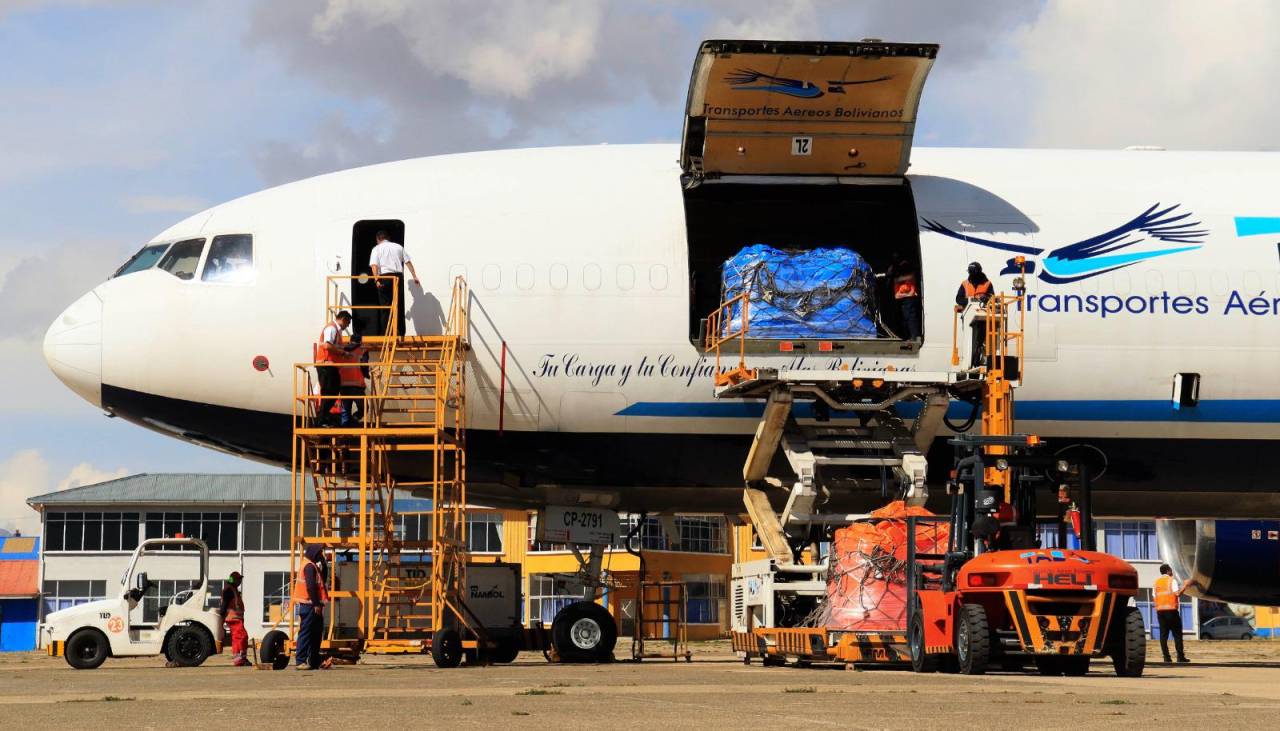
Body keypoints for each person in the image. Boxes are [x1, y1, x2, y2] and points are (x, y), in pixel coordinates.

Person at [369, 230, 420, 337]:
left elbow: (374, 265)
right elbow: (408, 262)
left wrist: (376, 279)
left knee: (385, 307)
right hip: (397, 277)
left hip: (385, 277)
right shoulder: (398, 247)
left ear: (378, 239)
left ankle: (386, 334)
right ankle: (399, 332)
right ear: (388, 238)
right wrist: (414, 276)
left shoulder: (376, 248)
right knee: (398, 305)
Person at [293, 544, 330, 670]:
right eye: (320, 553)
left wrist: (324, 564)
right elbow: (310, 587)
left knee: (316, 634)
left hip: (313, 605)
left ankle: (314, 661)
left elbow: (322, 580)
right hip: (309, 605)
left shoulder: (313, 565)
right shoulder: (309, 566)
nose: (321, 555)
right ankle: (300, 661)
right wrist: (316, 604)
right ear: (314, 553)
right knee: (306, 633)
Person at [316, 311, 352, 427]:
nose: (348, 325)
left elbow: (334, 346)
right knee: (329, 392)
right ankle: (321, 421)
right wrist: (342, 352)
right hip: (326, 365)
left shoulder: (336, 331)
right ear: (343, 319)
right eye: (348, 322)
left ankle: (323, 419)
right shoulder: (331, 329)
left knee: (332, 391)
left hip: (330, 366)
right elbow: (327, 345)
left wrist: (344, 350)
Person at [955, 262, 993, 366]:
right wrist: (970, 301)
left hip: (982, 316)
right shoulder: (965, 283)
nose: (971, 275)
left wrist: (986, 299)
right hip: (968, 315)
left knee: (979, 339)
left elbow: (992, 297)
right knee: (969, 340)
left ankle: (977, 359)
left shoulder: (987, 283)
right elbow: (958, 298)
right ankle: (970, 362)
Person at [1154, 563, 1191, 663]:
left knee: (1163, 635)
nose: (1172, 571)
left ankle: (1166, 658)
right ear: (1167, 571)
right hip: (1171, 611)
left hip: (1160, 612)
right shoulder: (1171, 580)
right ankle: (1180, 657)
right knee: (1177, 634)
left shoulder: (1156, 582)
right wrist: (1186, 585)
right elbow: (1177, 593)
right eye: (1171, 570)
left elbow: (1155, 596)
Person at [220, 571, 250, 667]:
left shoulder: (233, 589)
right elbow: (224, 605)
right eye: (238, 579)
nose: (240, 581)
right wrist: (222, 616)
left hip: (237, 619)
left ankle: (242, 658)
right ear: (233, 580)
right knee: (240, 637)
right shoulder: (229, 590)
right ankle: (238, 660)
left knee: (242, 637)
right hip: (233, 618)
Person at [888, 258, 922, 341]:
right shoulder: (897, 275)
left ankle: (914, 336)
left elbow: (911, 276)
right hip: (903, 299)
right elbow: (897, 294)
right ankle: (907, 335)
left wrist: (899, 279)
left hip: (909, 298)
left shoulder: (908, 272)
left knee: (911, 317)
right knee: (905, 318)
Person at [337, 334, 367, 426]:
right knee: (364, 408)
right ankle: (354, 419)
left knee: (345, 409)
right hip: (357, 385)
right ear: (360, 341)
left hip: (343, 385)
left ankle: (344, 429)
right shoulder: (362, 350)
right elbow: (364, 366)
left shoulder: (342, 350)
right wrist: (367, 375)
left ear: (350, 341)